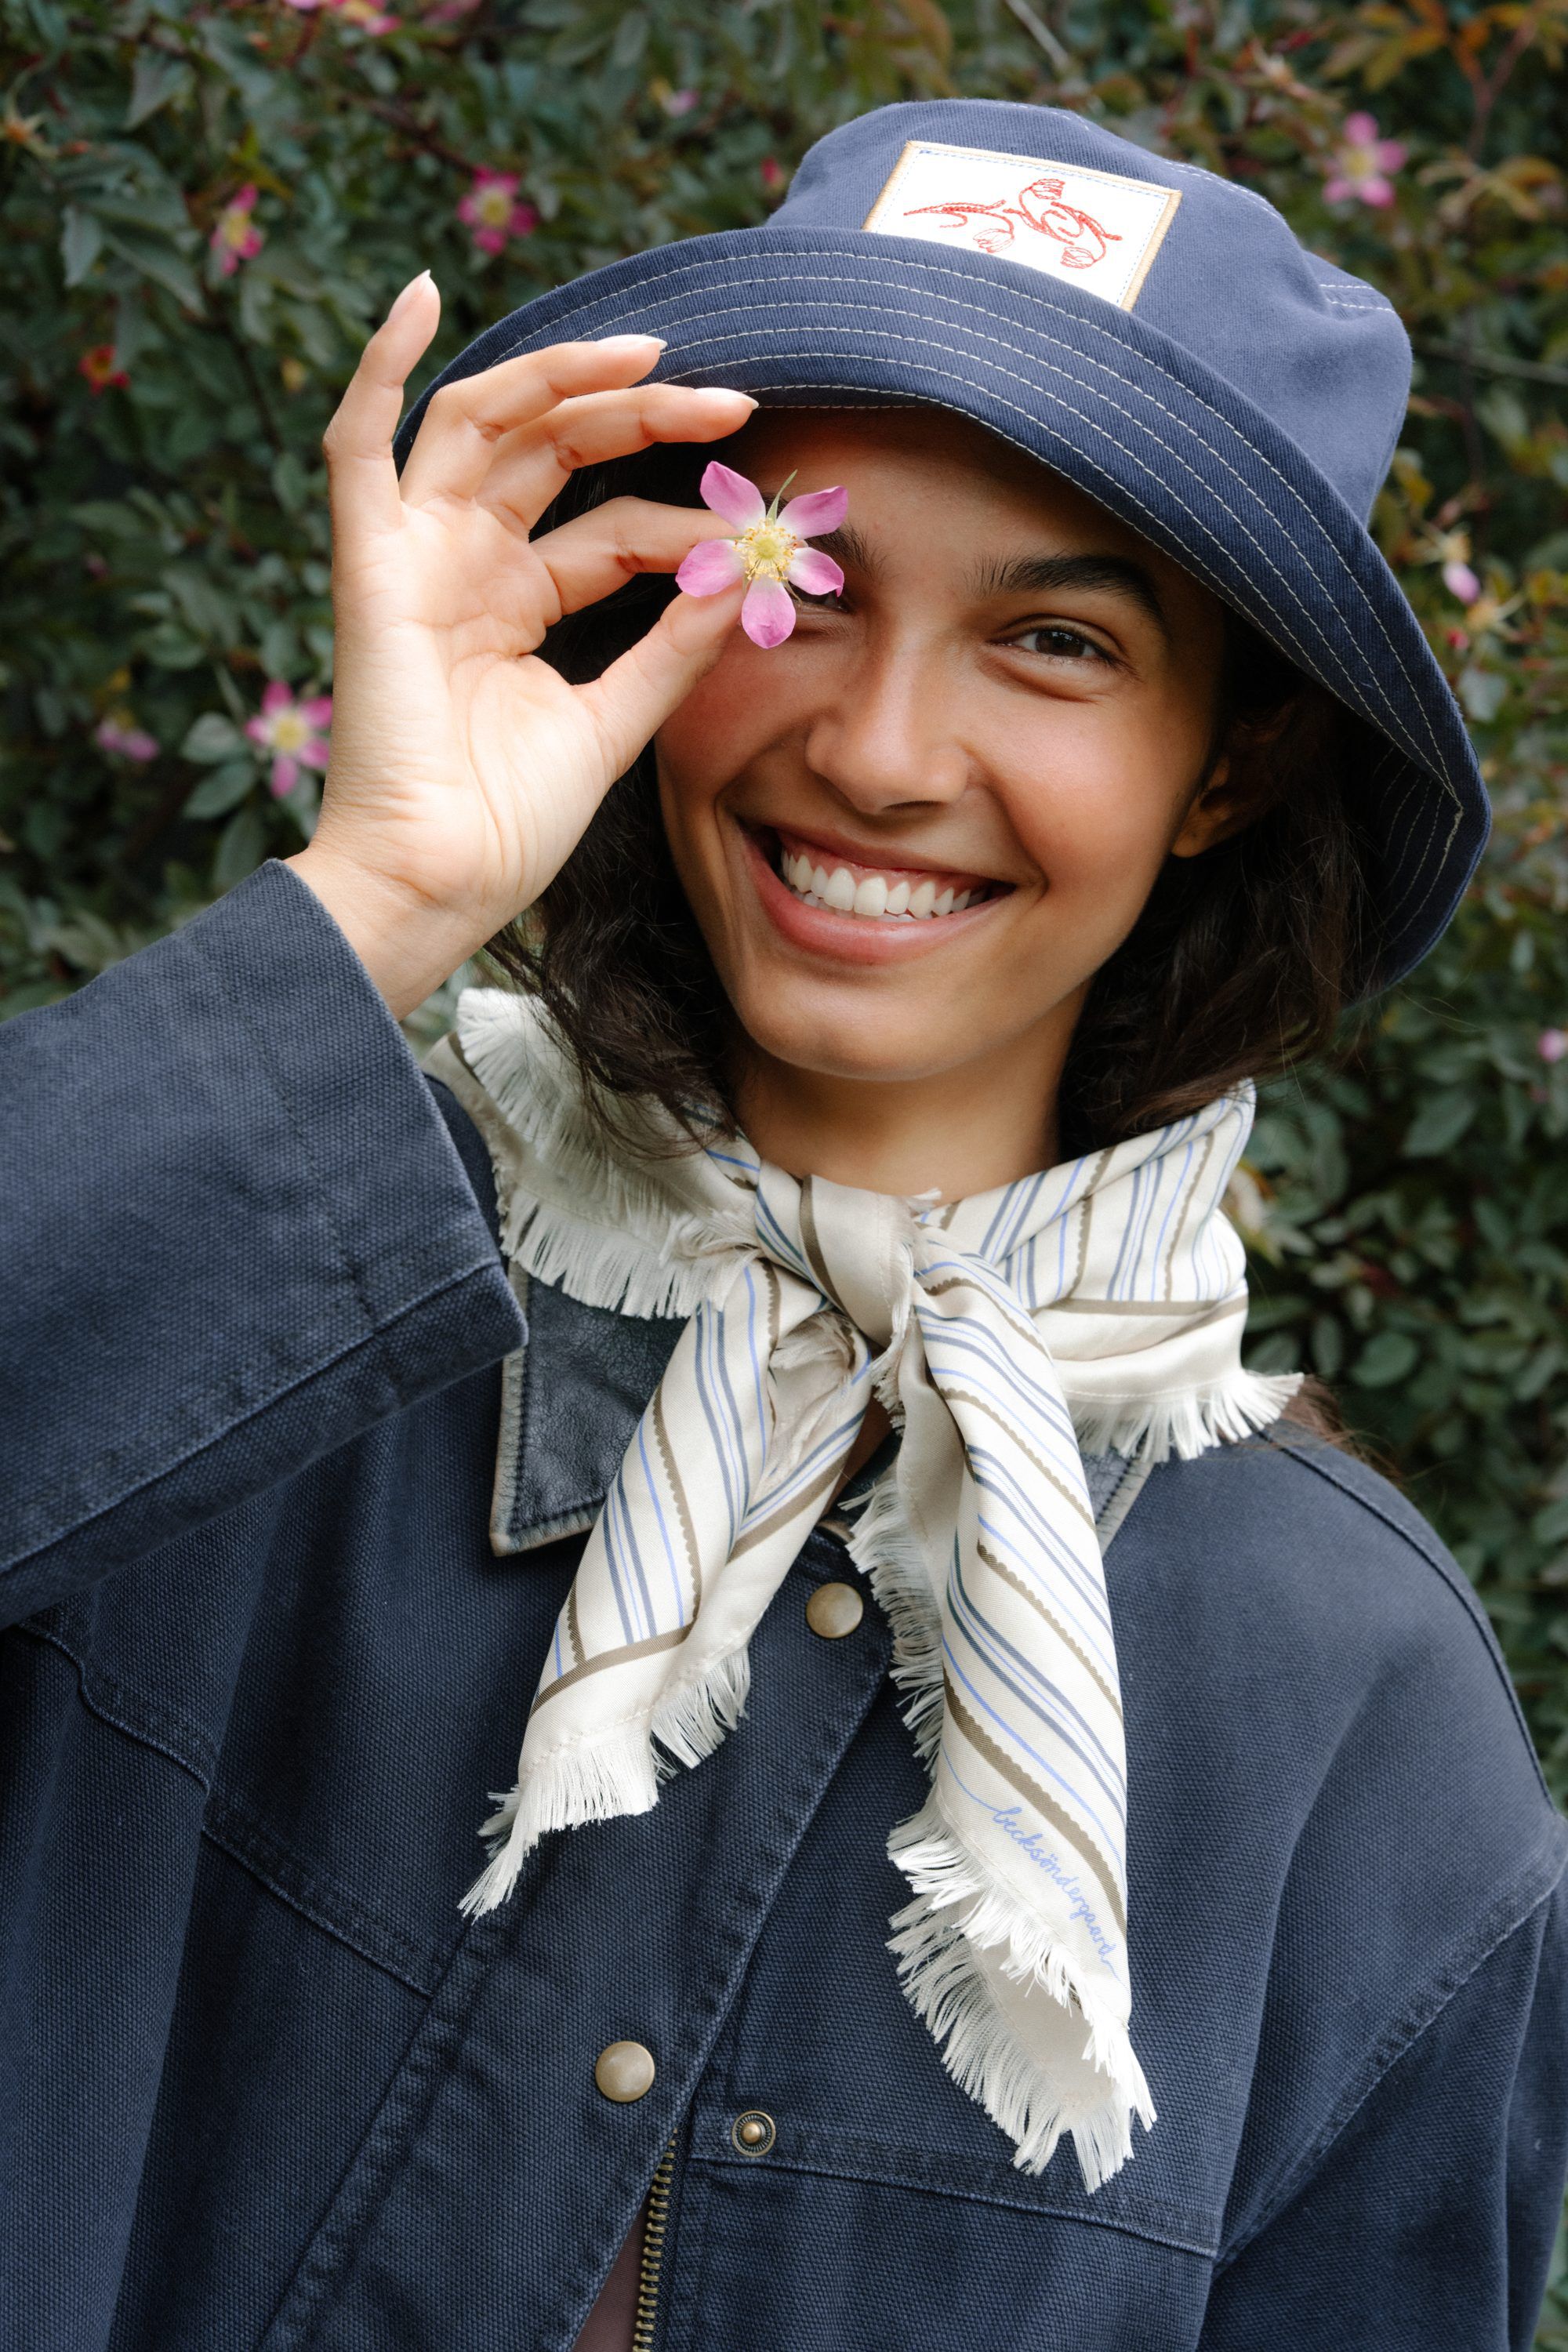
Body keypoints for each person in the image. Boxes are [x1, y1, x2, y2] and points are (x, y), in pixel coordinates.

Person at [2, 97, 1564, 2352]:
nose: (882, 750)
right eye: (802, 585)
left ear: (1228, 764)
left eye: (1057, 645)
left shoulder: (1356, 1725)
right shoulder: (244, 1315)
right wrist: (379, 906)